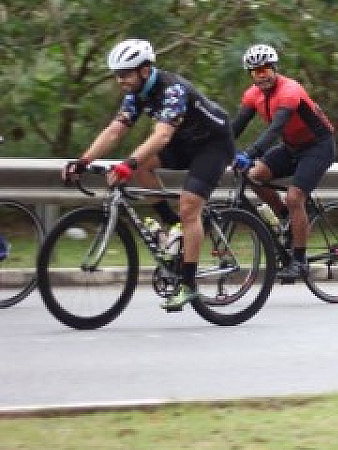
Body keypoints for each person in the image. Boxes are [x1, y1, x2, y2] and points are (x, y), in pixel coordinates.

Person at [62, 39, 235, 311]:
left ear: (144, 70)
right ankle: (172, 223)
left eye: (126, 74)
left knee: (189, 205)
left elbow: (162, 135)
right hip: (184, 142)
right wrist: (84, 161)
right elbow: (115, 130)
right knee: (142, 166)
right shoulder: (136, 93)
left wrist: (126, 164)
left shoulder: (173, 90)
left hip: (212, 145)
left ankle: (188, 285)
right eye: (117, 75)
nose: (120, 81)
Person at [230, 44, 337, 283]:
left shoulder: (290, 90)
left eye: (266, 68)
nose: (262, 74)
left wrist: (251, 151)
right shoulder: (253, 95)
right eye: (256, 71)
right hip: (291, 147)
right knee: (254, 175)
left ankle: (299, 261)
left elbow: (276, 127)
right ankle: (286, 217)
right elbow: (236, 126)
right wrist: (217, 148)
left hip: (318, 146)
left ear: (275, 68)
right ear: (251, 75)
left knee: (294, 196)